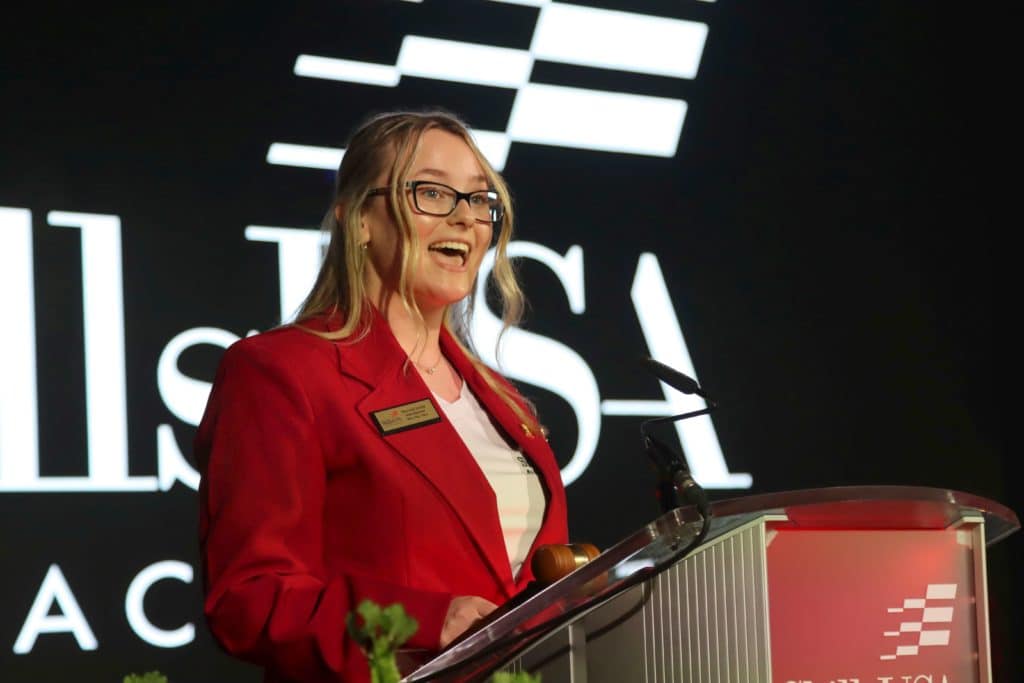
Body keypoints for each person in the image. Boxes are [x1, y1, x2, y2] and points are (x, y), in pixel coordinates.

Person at [195, 110, 569, 683]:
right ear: (359, 219)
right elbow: (249, 598)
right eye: (431, 193)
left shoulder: (503, 402)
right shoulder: (282, 372)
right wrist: (424, 623)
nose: (464, 217)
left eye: (479, 199)